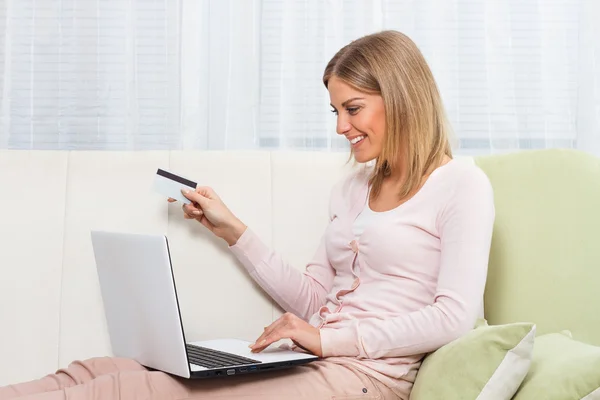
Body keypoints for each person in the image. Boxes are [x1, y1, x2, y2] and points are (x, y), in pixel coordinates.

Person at [0, 30, 495, 400]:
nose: (342, 126)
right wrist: (233, 231)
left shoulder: (462, 186)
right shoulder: (351, 189)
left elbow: (454, 317)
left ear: (402, 99)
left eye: (354, 108)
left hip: (366, 378)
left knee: (134, 394)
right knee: (98, 372)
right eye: (335, 112)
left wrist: (327, 340)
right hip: (309, 361)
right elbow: (313, 297)